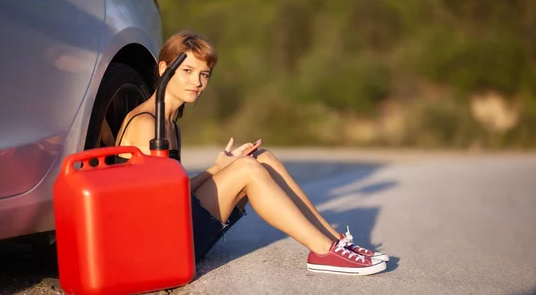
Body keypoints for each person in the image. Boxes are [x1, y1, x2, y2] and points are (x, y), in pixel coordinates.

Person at [114, 30, 389, 276]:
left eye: (203, 74)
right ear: (164, 69)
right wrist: (218, 170)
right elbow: (155, 207)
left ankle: (334, 241)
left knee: (262, 158)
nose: (196, 81)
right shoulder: (147, 123)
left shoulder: (170, 123)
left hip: (171, 227)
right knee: (246, 169)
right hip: (158, 249)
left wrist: (222, 167)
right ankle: (322, 251)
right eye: (187, 71)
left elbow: (170, 192)